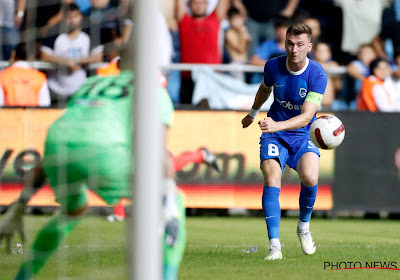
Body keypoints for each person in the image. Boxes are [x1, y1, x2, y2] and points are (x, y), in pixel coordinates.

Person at [0, 64, 186, 280]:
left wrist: (19, 205)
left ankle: (22, 277)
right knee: (175, 200)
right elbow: (158, 149)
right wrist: (168, 200)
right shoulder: (153, 92)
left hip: (57, 145)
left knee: (73, 211)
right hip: (104, 152)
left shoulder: (93, 83)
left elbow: (71, 129)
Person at [241, 23, 327, 260]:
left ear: (309, 46)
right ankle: (275, 246)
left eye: (300, 44)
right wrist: (253, 112)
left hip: (301, 134)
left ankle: (303, 227)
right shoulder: (272, 65)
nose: (294, 49)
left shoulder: (317, 74)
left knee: (310, 177)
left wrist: (276, 125)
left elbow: (308, 116)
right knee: (272, 177)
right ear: (285, 43)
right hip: (274, 134)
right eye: (290, 43)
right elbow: (264, 89)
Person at [40, 3, 104, 105]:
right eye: (69, 17)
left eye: (75, 16)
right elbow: (44, 56)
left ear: (81, 17)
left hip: (82, 91)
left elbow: (98, 57)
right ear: (63, 19)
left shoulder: (89, 34)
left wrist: (78, 61)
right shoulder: (54, 34)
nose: (72, 20)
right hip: (56, 92)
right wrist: (66, 62)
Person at [175, 0, 230, 104]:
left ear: (206, 5)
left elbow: (224, 3)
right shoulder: (184, 20)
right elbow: (179, 4)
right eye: (195, 3)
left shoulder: (214, 19)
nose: (198, 6)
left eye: (202, 3)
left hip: (211, 76)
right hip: (188, 77)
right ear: (189, 6)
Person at [0, 42, 50, 107]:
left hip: (8, 116)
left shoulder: (3, 75)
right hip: (33, 116)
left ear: (13, 54)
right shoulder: (40, 77)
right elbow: (45, 105)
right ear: (31, 56)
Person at [225, 7, 251, 81]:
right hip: (236, 65)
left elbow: (247, 47)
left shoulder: (242, 31)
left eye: (239, 18)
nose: (238, 21)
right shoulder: (229, 33)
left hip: (245, 63)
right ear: (230, 20)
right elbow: (240, 49)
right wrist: (241, 33)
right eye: (235, 19)